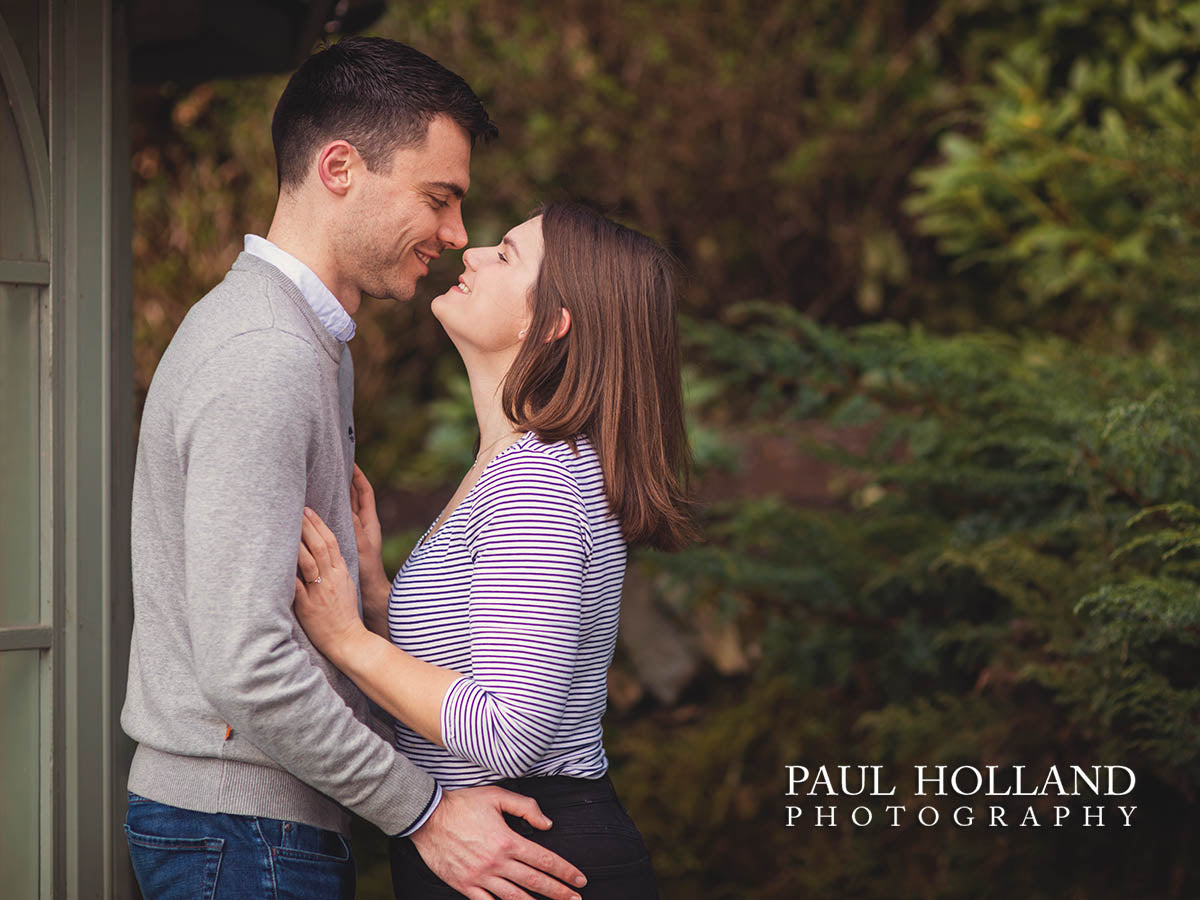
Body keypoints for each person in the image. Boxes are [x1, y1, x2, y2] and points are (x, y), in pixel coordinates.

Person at [121, 37, 589, 900]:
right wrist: (422, 810)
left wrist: (372, 599)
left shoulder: (309, 343)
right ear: (340, 167)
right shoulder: (266, 353)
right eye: (439, 198)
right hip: (242, 832)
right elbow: (246, 659)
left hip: (258, 826)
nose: (455, 236)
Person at [292, 202, 697, 899]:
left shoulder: (536, 480)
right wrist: (380, 593)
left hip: (527, 850)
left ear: (551, 323)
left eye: (506, 254)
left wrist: (347, 639)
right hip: (504, 846)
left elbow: (507, 730)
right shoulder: (513, 465)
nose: (471, 253)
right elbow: (469, 671)